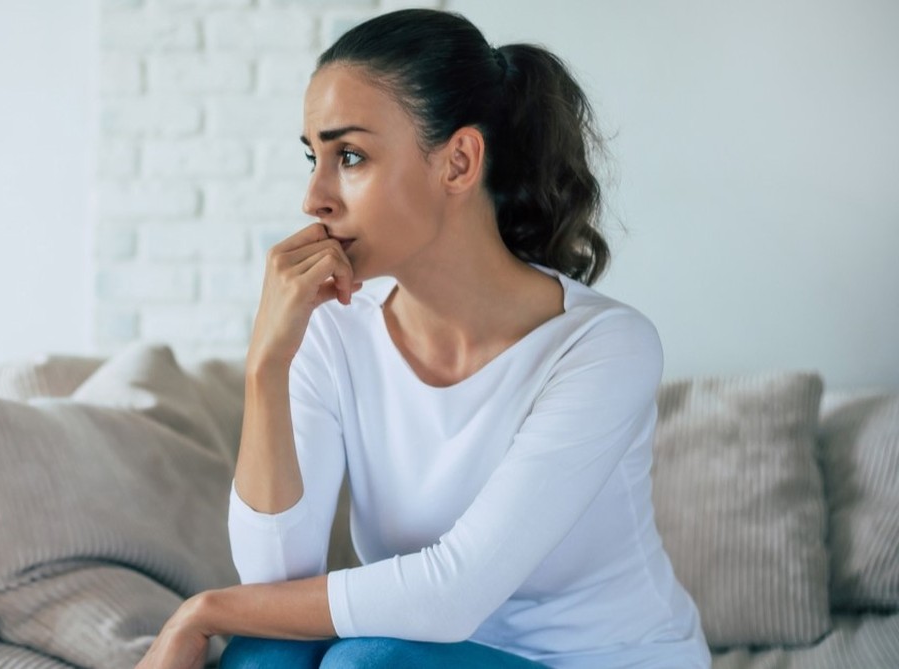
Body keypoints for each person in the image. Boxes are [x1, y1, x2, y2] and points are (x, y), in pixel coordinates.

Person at [135, 8, 709, 669]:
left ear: (459, 161)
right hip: (423, 652)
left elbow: (451, 595)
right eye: (312, 157)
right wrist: (268, 362)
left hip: (597, 660)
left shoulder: (605, 347)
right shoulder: (335, 326)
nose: (313, 197)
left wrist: (203, 609)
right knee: (265, 652)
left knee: (365, 663)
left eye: (348, 156)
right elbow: (273, 582)